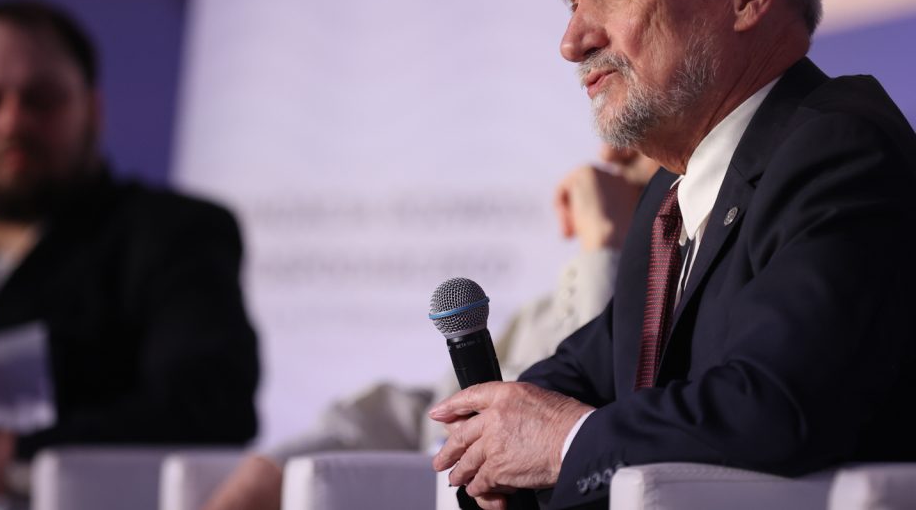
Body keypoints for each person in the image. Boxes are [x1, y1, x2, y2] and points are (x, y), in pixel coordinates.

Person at [430, 0, 916, 510]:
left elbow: (776, 404)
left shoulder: (842, 150)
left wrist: (562, 442)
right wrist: (496, 437)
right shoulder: (669, 200)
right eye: (572, 2)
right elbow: (584, 373)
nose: (573, 42)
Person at [0, 0, 260, 510]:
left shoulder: (171, 234)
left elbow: (212, 407)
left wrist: (21, 459)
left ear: (93, 109)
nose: (13, 122)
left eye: (41, 100)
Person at [201, 145, 658, 510]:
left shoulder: (650, 296)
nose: (611, 155)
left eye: (639, 142)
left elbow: (569, 410)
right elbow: (437, 412)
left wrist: (605, 243)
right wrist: (277, 467)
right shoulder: (546, 308)